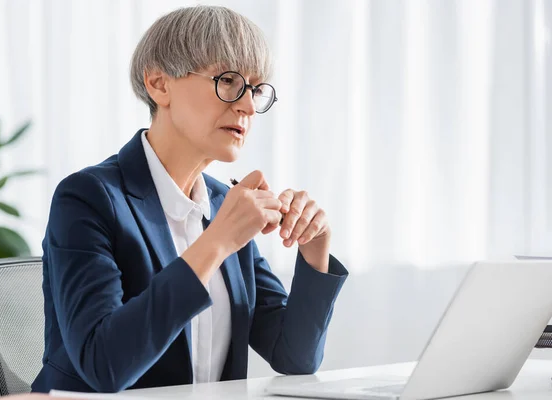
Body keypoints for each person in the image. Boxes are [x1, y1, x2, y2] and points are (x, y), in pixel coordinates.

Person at [31, 5, 348, 394]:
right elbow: (104, 365)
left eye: (255, 89)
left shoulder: (224, 202)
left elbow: (294, 358)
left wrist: (315, 249)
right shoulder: (87, 198)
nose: (248, 106)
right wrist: (216, 242)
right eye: (228, 81)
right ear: (159, 84)